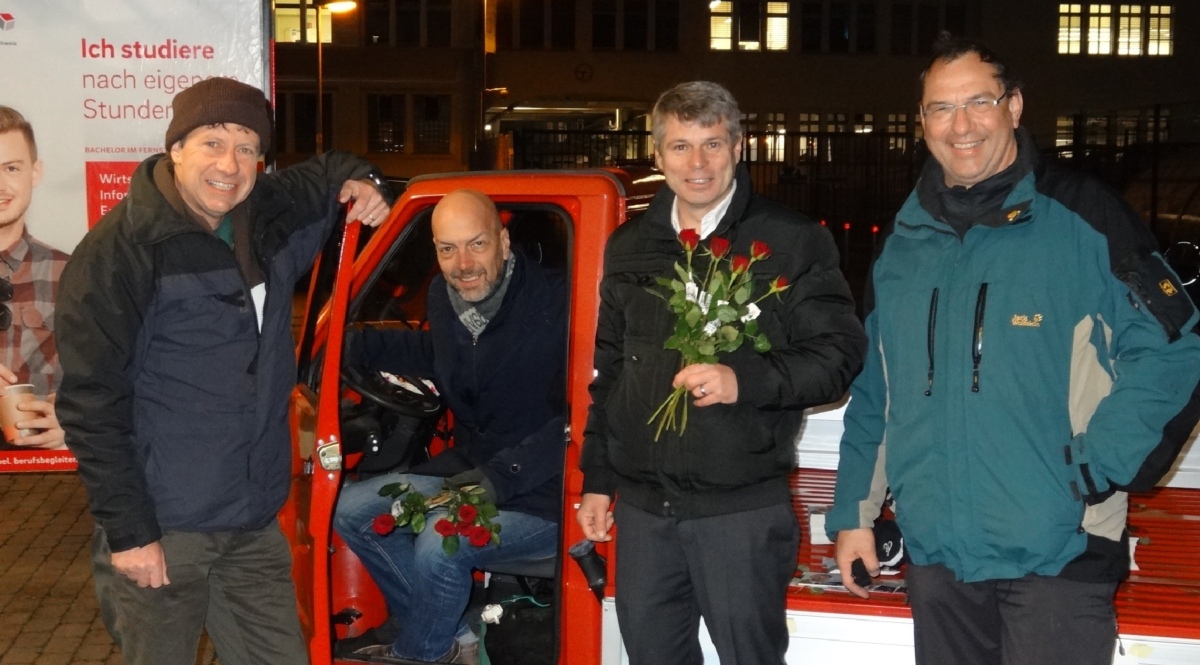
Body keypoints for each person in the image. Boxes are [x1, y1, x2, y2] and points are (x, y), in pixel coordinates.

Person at [827, 34, 1200, 665]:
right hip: (940, 554)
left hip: (1060, 552)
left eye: (979, 101)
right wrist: (853, 516)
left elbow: (1174, 346)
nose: (961, 125)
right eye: (941, 108)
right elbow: (875, 394)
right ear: (922, 121)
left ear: (1015, 106)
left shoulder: (1082, 216)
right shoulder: (903, 243)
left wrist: (1097, 467)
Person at [55, 77, 391, 665]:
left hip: (252, 522)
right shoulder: (119, 251)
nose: (229, 164)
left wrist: (367, 181)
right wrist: (130, 533)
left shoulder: (265, 214)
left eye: (245, 147)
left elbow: (334, 167)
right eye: (212, 142)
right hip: (166, 525)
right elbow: (90, 403)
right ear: (175, 149)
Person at [576, 81, 867, 665]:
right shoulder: (631, 245)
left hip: (740, 512)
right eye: (680, 146)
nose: (698, 163)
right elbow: (611, 371)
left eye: (712, 144)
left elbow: (838, 356)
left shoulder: (790, 240)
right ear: (657, 155)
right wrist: (599, 478)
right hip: (644, 511)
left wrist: (744, 380)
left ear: (738, 147)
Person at [333, 189, 567, 665]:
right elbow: (441, 354)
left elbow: (584, 416)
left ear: (504, 242)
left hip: (546, 491)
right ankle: (451, 636)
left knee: (441, 543)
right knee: (352, 509)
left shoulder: (559, 303)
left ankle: (419, 654)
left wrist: (504, 475)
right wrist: (353, 346)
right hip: (472, 472)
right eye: (447, 249)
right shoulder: (445, 296)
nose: (463, 264)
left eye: (477, 244)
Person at [0, 105, 67, 451]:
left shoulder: (72, 275)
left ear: (35, 172)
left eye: (11, 168)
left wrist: (72, 421)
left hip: (42, 476)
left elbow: (110, 382)